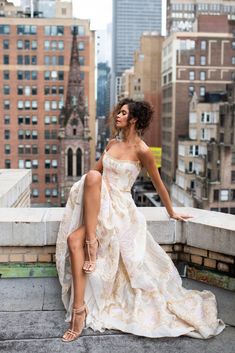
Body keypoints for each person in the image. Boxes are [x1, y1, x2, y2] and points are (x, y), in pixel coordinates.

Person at [56, 98, 225, 343]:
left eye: (123, 113)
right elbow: (94, 175)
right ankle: (79, 310)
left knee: (76, 236)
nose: (117, 116)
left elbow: (158, 184)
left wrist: (171, 211)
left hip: (122, 210)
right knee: (82, 211)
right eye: (118, 112)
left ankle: (80, 304)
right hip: (101, 203)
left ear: (133, 119)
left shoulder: (142, 150)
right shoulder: (112, 143)